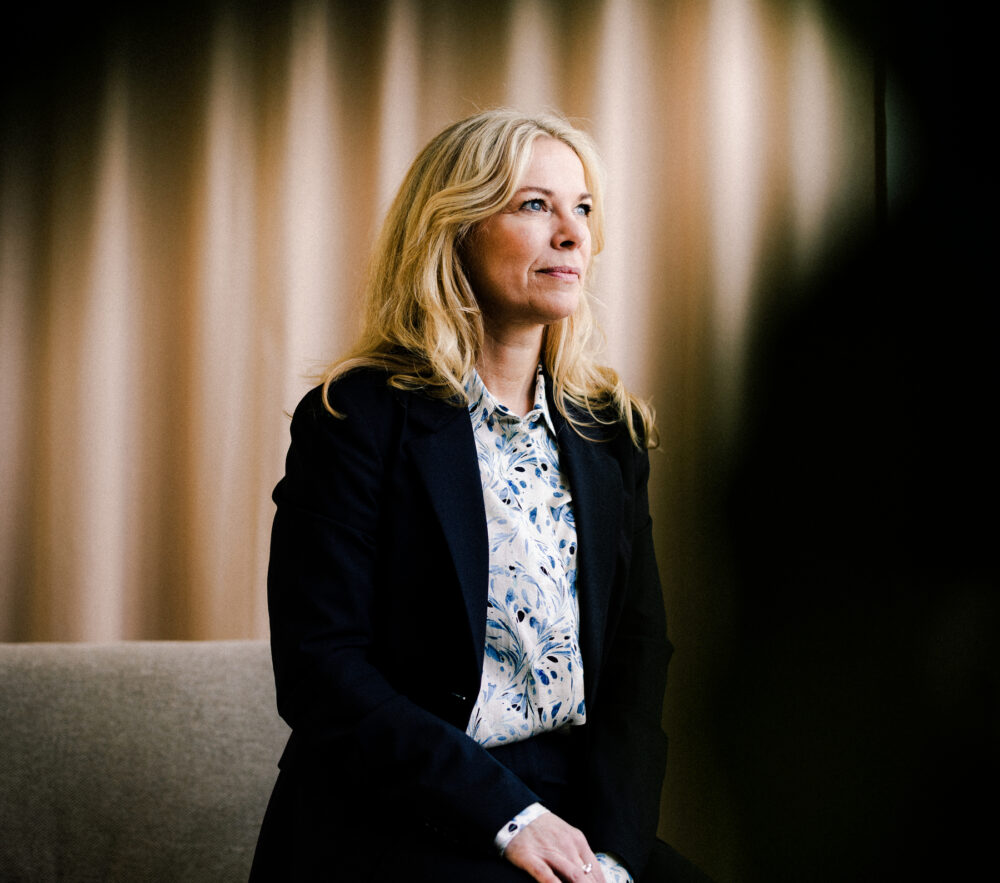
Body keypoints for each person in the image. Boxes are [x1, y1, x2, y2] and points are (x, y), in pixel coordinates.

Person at [250, 109, 703, 883]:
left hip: (573, 812)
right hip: (399, 810)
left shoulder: (608, 428)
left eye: (582, 207)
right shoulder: (355, 418)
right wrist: (509, 816)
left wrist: (615, 854)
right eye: (535, 205)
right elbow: (321, 667)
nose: (573, 233)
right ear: (454, 231)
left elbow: (637, 658)